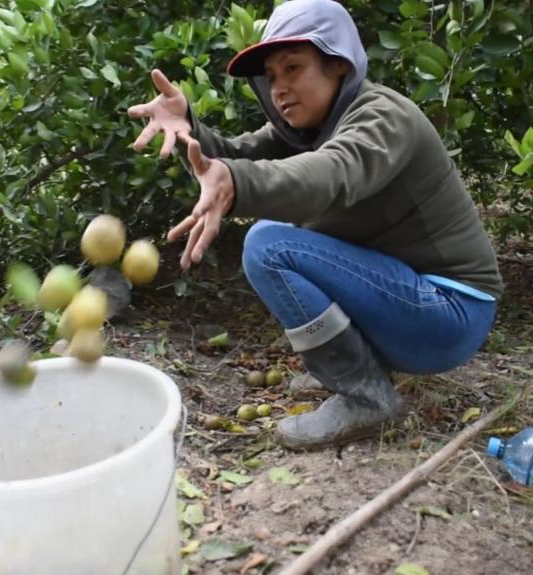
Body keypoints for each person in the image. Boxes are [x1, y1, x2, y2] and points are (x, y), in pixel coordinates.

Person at [127, 0, 502, 450]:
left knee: (269, 243)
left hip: (450, 312)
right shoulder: (306, 130)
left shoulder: (383, 116)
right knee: (295, 236)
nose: (280, 88)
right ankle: (360, 372)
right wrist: (188, 126)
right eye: (273, 76)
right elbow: (236, 157)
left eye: (293, 68)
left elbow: (332, 173)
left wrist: (237, 183)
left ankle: (366, 398)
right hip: (413, 302)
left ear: (338, 66)